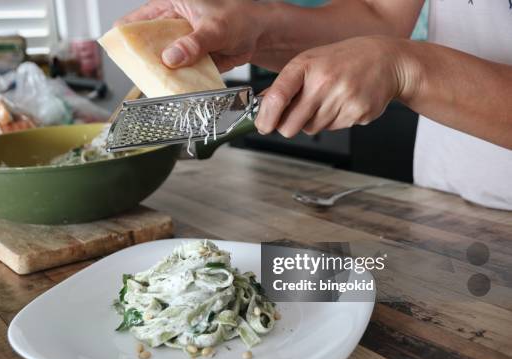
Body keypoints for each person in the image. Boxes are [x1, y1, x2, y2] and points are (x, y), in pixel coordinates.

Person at [117, 0, 512, 211]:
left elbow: (395, 54)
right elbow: (378, 13)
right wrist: (252, 27)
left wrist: (407, 69)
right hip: (447, 202)